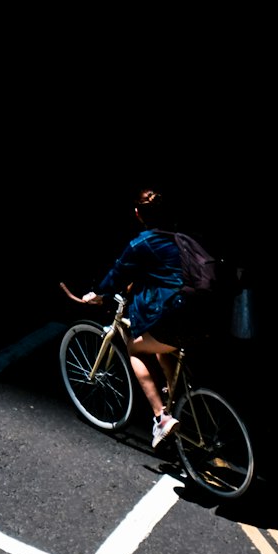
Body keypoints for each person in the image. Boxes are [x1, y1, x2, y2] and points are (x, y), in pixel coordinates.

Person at [78, 187, 189, 450]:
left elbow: (117, 273)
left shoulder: (141, 244)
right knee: (163, 348)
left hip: (175, 317)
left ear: (138, 214)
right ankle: (179, 400)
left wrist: (96, 293)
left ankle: (161, 417)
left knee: (135, 347)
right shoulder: (183, 239)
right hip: (202, 315)